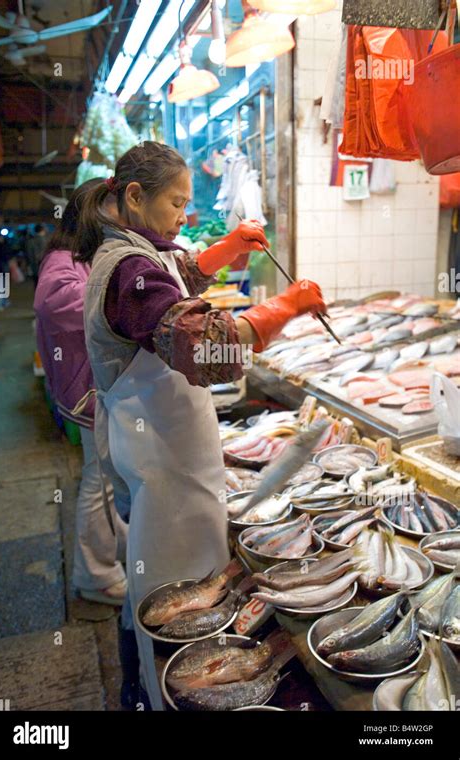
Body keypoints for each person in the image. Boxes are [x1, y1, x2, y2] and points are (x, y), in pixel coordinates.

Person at [72, 142, 326, 710]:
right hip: (163, 472)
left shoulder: (138, 251)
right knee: (174, 603)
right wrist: (282, 307)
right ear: (135, 196)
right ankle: (164, 696)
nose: (184, 216)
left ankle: (149, 682)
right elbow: (203, 345)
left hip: (169, 456)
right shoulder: (126, 270)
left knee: (178, 592)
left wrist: (226, 249)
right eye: (176, 203)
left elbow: (174, 278)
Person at [34, 181, 129, 610]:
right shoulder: (62, 259)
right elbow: (51, 305)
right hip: (84, 390)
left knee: (109, 477)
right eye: (111, 210)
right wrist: (116, 295)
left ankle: (115, 556)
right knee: (100, 480)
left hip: (95, 387)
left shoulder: (85, 256)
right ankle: (95, 576)